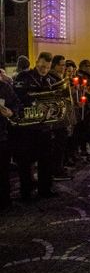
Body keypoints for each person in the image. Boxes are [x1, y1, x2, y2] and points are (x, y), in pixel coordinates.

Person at [13, 52, 61, 199]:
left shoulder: (51, 80)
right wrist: (34, 102)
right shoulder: (24, 77)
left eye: (47, 68)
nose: (44, 70)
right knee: (25, 161)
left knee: (46, 159)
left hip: (44, 127)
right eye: (42, 66)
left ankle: (44, 189)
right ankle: (26, 191)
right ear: (37, 62)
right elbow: (17, 98)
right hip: (27, 127)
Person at [0, 76, 22, 209]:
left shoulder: (4, 87)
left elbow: (16, 103)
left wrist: (11, 112)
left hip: (1, 135)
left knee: (2, 171)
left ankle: (4, 201)